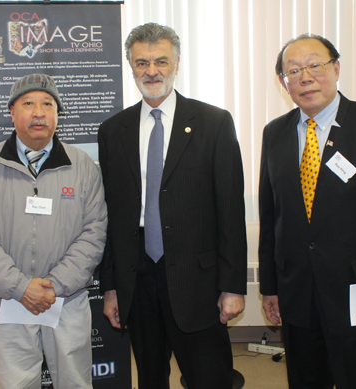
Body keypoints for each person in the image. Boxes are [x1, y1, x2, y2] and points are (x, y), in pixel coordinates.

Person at [258, 33, 356, 388]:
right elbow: (271, 216)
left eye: (315, 65)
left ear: (337, 68)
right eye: (293, 71)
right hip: (297, 293)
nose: (305, 77)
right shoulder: (275, 133)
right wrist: (270, 287)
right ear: (283, 82)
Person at [98, 23, 247, 389]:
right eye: (142, 62)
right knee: (150, 379)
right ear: (131, 67)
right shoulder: (113, 130)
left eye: (161, 60)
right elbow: (111, 215)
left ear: (177, 64)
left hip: (199, 281)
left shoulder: (213, 122)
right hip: (138, 278)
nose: (152, 70)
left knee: (209, 378)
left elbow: (230, 209)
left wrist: (232, 285)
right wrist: (112, 286)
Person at [0, 73, 107, 389]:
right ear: (12, 112)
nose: (38, 112)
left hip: (65, 299)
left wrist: (55, 284)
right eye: (28, 103)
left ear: (57, 114)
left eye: (47, 104)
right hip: (7, 300)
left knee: (75, 382)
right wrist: (20, 286)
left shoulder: (83, 167)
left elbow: (94, 231)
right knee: (16, 384)